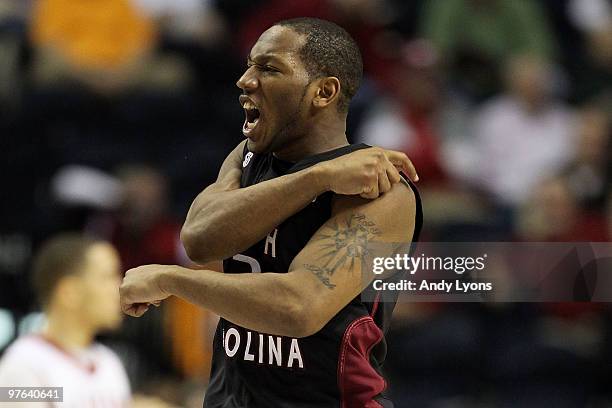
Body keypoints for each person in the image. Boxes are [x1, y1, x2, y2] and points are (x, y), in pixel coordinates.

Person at [119, 17, 422, 407]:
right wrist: (318, 177)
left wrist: (172, 281)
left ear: (324, 92)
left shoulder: (381, 191)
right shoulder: (248, 157)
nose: (245, 80)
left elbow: (300, 306)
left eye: (269, 68)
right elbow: (199, 240)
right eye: (249, 64)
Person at [0, 234, 131, 406]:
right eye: (107, 277)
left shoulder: (109, 362)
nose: (120, 288)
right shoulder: (21, 365)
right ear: (69, 292)